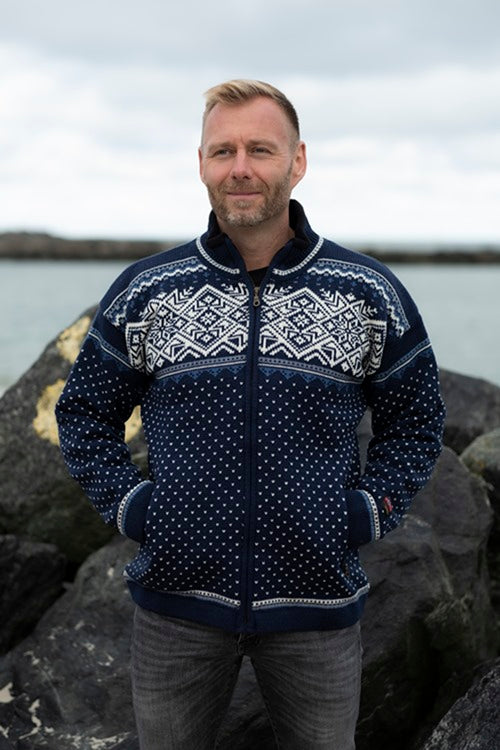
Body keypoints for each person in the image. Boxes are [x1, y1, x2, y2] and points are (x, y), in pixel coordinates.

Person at [55, 79, 446, 750]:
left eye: (260, 149)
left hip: (317, 612)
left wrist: (366, 512)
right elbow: (85, 414)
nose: (240, 168)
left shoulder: (368, 292)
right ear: (202, 163)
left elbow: (417, 423)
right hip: (175, 614)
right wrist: (135, 509)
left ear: (296, 162)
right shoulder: (148, 289)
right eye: (222, 151)